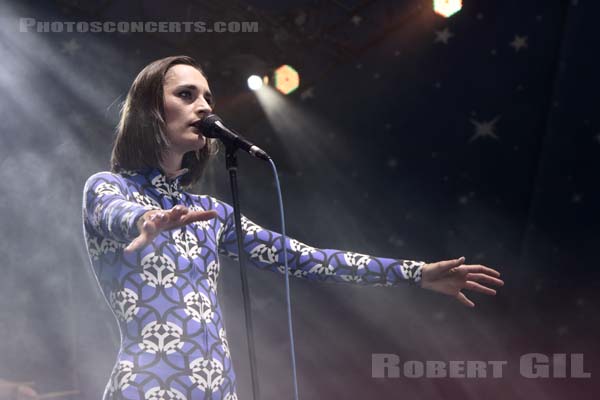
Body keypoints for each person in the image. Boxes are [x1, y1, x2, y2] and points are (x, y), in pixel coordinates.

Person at [82, 55, 504, 400]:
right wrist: (145, 219)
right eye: (187, 95)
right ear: (150, 110)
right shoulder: (106, 187)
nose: (206, 106)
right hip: (147, 388)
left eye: (208, 96)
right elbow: (115, 213)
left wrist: (414, 272)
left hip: (219, 391)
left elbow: (306, 258)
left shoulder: (210, 213)